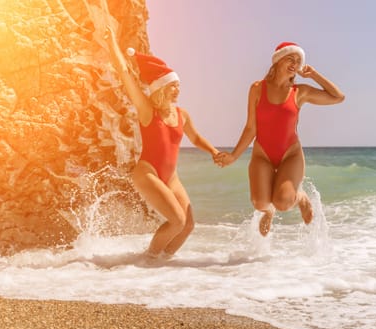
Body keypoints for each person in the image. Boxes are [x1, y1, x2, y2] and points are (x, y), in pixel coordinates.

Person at [105, 26, 220, 258]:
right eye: (173, 85)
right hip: (147, 172)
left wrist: (214, 152)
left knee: (187, 225)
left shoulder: (182, 114)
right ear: (161, 88)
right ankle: (148, 260)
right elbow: (125, 73)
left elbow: (195, 137)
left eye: (178, 85)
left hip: (171, 177)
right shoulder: (148, 111)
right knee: (176, 220)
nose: (178, 89)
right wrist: (112, 45)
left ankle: (162, 264)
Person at [215, 42, 345, 236]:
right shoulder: (257, 88)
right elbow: (251, 127)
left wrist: (314, 75)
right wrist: (234, 156)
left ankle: (300, 197)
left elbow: (338, 97)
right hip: (263, 154)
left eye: (298, 61)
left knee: (283, 202)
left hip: (290, 154)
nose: (295, 64)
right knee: (260, 203)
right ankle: (269, 211)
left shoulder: (300, 92)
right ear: (277, 61)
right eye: (290, 59)